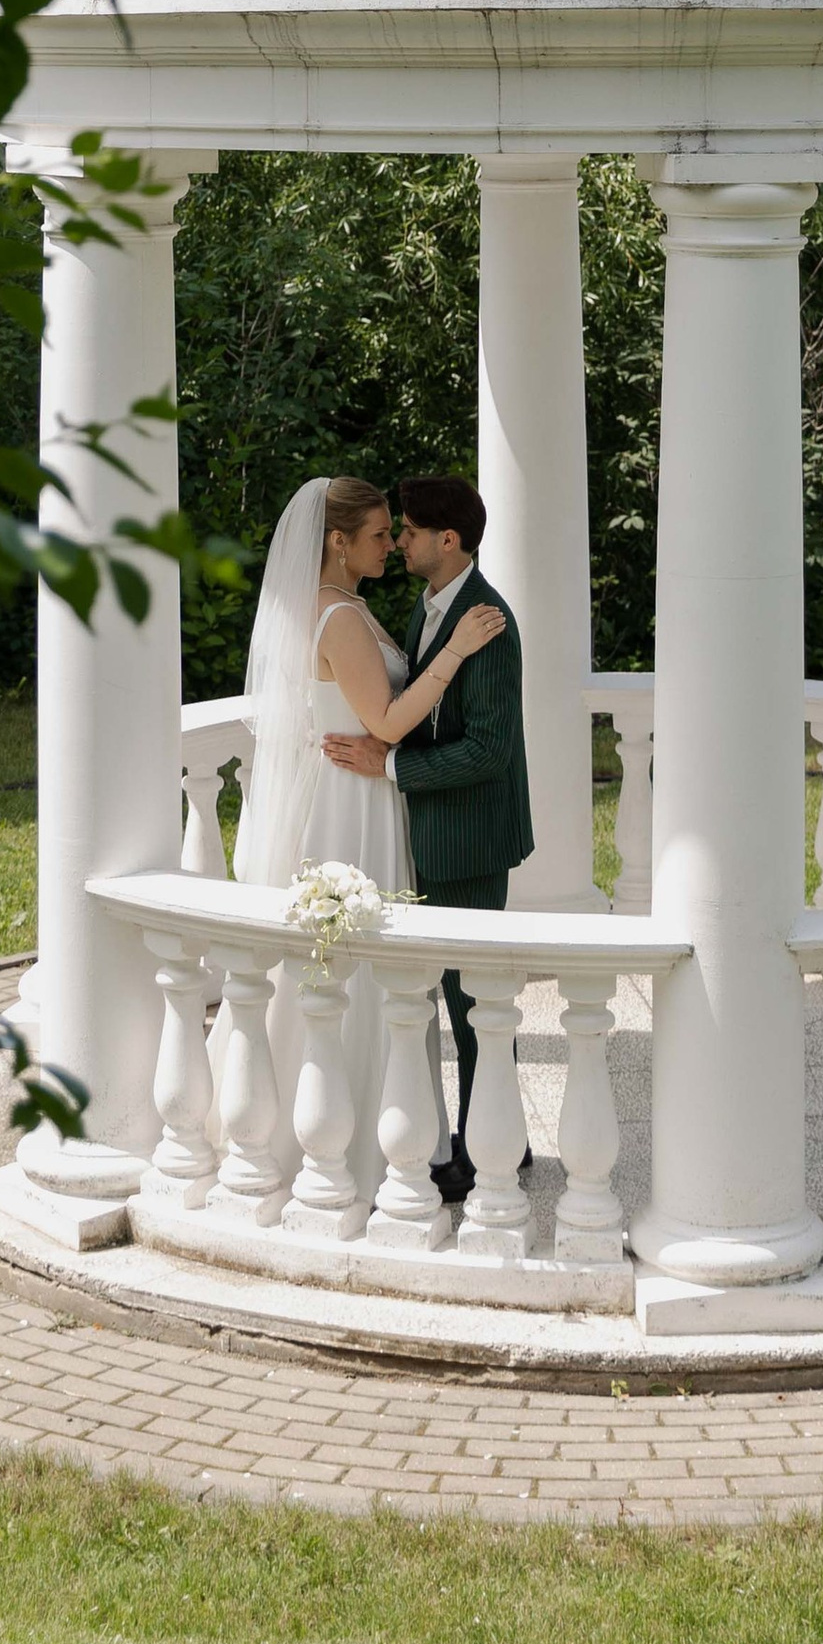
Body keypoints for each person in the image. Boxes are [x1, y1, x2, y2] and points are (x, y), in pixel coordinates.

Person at [237, 475, 504, 1212]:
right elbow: (385, 723)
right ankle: (355, 1134)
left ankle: (390, 1126)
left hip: (364, 797)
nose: (393, 542)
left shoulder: (345, 608)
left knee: (368, 970)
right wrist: (454, 652)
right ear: (338, 542)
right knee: (361, 973)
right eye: (382, 533)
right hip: (354, 807)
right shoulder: (339, 619)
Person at [320, 471, 532, 1203]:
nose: (400, 540)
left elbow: (489, 752)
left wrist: (393, 766)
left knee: (473, 1003)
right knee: (443, 997)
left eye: (407, 531)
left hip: (471, 837)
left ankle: (489, 1154)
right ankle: (495, 1134)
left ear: (448, 540)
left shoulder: (489, 622)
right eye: (392, 531)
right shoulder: (425, 608)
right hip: (426, 833)